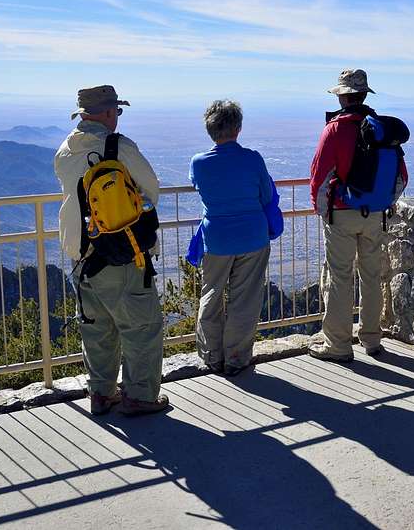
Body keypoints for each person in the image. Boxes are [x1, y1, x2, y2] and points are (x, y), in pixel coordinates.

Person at [54, 85, 170, 416]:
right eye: (116, 112)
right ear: (106, 113)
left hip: (81, 252)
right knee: (141, 326)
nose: (117, 118)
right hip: (121, 249)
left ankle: (101, 394)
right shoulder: (118, 147)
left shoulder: (65, 150)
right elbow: (151, 189)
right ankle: (140, 396)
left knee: (96, 327)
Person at [308, 69, 408, 362]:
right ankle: (372, 340)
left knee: (340, 279)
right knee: (371, 276)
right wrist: (382, 203)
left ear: (342, 96)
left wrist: (324, 212)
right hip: (375, 215)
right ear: (364, 95)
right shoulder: (381, 129)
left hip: (342, 213)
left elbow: (320, 176)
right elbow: (401, 176)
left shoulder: (336, 130)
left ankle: (338, 346)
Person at [188, 100, 280, 376]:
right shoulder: (253, 159)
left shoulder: (199, 163)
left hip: (217, 238)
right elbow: (266, 196)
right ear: (238, 128)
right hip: (253, 236)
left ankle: (212, 356)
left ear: (210, 130)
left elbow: (199, 187)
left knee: (211, 294)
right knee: (245, 299)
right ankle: (237, 358)